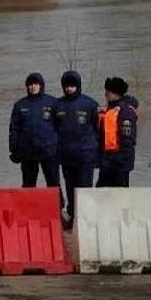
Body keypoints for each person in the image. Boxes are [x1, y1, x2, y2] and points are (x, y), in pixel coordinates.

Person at [53, 70, 100, 229]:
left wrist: (97, 155)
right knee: (70, 188)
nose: (69, 89)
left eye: (72, 86)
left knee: (84, 188)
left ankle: (86, 220)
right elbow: (53, 129)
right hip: (66, 156)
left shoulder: (90, 104)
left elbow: (97, 130)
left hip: (85, 155)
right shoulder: (57, 105)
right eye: (66, 86)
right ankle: (73, 217)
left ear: (78, 86)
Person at [8, 73, 62, 204]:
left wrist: (60, 148)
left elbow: (61, 127)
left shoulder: (52, 102)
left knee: (53, 183)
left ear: (41, 85)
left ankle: (58, 208)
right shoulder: (20, 105)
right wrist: (14, 150)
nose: (33, 87)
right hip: (28, 152)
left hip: (49, 151)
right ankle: (28, 209)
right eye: (30, 84)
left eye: (35, 84)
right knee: (28, 184)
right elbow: (14, 129)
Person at [97, 77, 138, 188]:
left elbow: (127, 139)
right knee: (101, 193)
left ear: (115, 94)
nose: (105, 95)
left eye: (108, 92)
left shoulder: (125, 112)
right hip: (107, 161)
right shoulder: (109, 110)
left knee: (119, 195)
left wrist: (122, 162)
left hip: (119, 162)